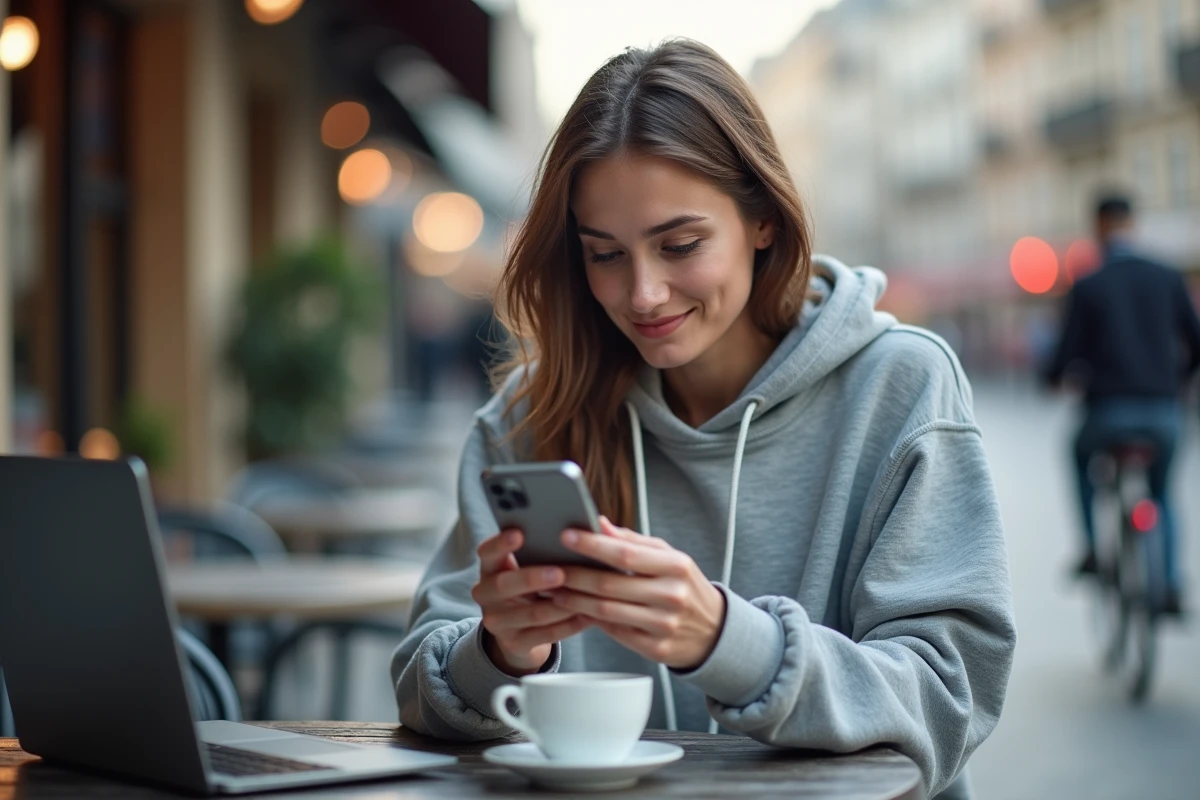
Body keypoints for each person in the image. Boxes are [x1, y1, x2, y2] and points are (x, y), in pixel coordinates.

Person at [391, 40, 1015, 800]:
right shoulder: (528, 416)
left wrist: (729, 641)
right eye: (605, 255)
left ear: (761, 219)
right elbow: (419, 691)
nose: (644, 294)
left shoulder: (900, 383)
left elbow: (951, 698)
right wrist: (500, 653)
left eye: (679, 245)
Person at [1044, 193, 1200, 615]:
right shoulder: (1169, 277)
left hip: (1108, 413)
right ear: (1133, 223)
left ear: (1097, 227)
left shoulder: (1089, 284)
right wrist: (1179, 384)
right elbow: (1196, 341)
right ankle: (1168, 585)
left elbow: (1064, 354)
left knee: (1077, 456)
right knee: (1163, 493)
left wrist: (1054, 379)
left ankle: (1094, 549)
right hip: (1164, 412)